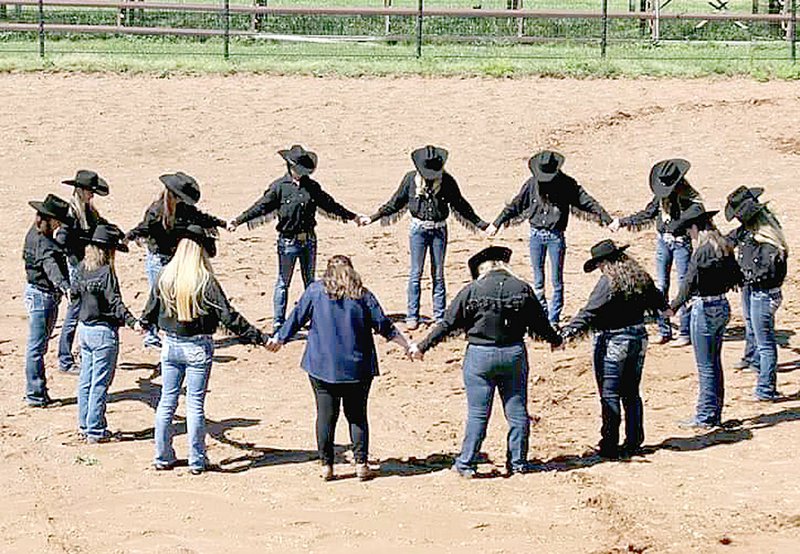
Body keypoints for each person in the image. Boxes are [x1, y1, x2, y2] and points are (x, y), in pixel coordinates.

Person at [414, 246, 562, 478]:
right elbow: (540, 323)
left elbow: (447, 324)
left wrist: (422, 346)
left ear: (482, 269)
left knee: (478, 413)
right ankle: (519, 463)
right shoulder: (522, 288)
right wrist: (555, 340)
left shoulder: (472, 289)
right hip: (513, 353)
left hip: (480, 355)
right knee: (517, 411)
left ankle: (466, 463)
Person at [267, 255, 415, 482]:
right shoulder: (363, 295)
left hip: (321, 365)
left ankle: (327, 466)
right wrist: (407, 345)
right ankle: (361, 464)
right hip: (358, 368)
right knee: (357, 416)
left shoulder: (316, 292)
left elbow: (295, 318)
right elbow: (384, 325)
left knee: (326, 416)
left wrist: (279, 339)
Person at [141, 225, 267, 474]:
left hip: (170, 345)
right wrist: (259, 337)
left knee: (167, 400)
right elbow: (229, 317)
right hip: (197, 346)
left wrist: (144, 324)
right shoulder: (204, 281)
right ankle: (197, 459)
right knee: (195, 404)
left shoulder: (166, 276)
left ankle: (162, 455)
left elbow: (150, 309)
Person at [228, 145, 362, 334]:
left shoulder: (312, 187)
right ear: (290, 167)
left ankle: (316, 316)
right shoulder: (279, 187)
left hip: (308, 240)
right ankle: (278, 322)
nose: (301, 173)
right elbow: (260, 207)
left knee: (310, 282)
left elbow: (330, 204)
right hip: (287, 241)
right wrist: (239, 220)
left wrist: (353, 216)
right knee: (283, 282)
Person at [361, 145, 488, 330]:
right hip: (418, 230)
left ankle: (439, 316)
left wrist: (480, 223)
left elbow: (461, 205)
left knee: (438, 273)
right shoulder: (410, 180)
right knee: (416, 273)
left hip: (439, 230)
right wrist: (374, 217)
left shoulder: (447, 181)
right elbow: (395, 202)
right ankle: (412, 315)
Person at [561, 240, 667, 459]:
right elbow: (661, 304)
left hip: (613, 340)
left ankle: (610, 444)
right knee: (631, 392)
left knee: (610, 394)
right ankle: (634, 440)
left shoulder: (607, 283)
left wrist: (566, 333)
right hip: (638, 337)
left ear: (604, 262)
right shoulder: (640, 277)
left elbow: (590, 312)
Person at [487, 151, 612, 329]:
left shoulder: (567, 184)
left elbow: (588, 202)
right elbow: (515, 205)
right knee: (538, 280)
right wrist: (496, 222)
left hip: (555, 236)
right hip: (536, 234)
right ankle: (542, 317)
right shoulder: (531, 184)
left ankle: (553, 319)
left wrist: (606, 218)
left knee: (556, 280)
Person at [126, 172, 226, 349]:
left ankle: (169, 331)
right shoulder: (156, 211)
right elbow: (143, 228)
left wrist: (222, 223)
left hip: (176, 258)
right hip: (158, 257)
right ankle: (151, 334)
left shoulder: (185, 209)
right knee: (158, 295)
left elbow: (202, 217)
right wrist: (129, 237)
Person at [609, 159, 704, 347]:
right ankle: (664, 330)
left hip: (680, 243)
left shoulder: (691, 202)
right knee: (661, 285)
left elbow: (693, 215)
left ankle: (684, 331)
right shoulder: (663, 198)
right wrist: (623, 222)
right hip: (664, 242)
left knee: (683, 285)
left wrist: (674, 226)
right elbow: (647, 214)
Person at [666, 205, 742, 429]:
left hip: (705, 309)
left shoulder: (701, 252)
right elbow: (736, 277)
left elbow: (688, 283)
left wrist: (673, 307)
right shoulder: (723, 246)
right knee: (714, 363)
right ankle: (714, 412)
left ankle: (705, 415)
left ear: (695, 227)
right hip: (722, 305)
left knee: (706, 366)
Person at [71, 224, 139, 443]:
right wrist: (132, 322)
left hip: (85, 330)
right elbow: (115, 302)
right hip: (103, 333)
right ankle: (95, 429)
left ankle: (84, 425)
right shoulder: (106, 272)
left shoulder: (82, 267)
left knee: (85, 380)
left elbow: (73, 294)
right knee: (100, 383)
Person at [725, 187, 788, 401]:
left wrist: (737, 276)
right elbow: (728, 241)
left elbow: (765, 274)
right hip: (756, 291)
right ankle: (754, 364)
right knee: (754, 329)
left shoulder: (768, 245)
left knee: (766, 343)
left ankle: (765, 389)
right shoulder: (752, 232)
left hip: (763, 294)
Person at [56, 170, 109, 374]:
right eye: (90, 191)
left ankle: (72, 353)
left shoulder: (85, 210)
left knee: (79, 311)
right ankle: (65, 358)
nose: (92, 195)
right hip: (78, 268)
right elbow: (62, 241)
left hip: (82, 266)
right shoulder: (73, 214)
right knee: (75, 312)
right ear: (81, 190)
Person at [23, 194, 73, 407]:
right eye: (58, 221)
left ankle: (36, 392)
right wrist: (65, 287)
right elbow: (50, 266)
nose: (60, 224)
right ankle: (35, 394)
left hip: (35, 292)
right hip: (43, 296)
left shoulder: (33, 233)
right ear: (50, 219)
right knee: (37, 347)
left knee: (37, 346)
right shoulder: (44, 243)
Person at [724, 186, 765, 373]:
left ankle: (756, 361)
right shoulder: (745, 230)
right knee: (750, 321)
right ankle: (750, 357)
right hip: (748, 281)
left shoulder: (763, 233)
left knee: (757, 323)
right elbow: (727, 241)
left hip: (759, 283)